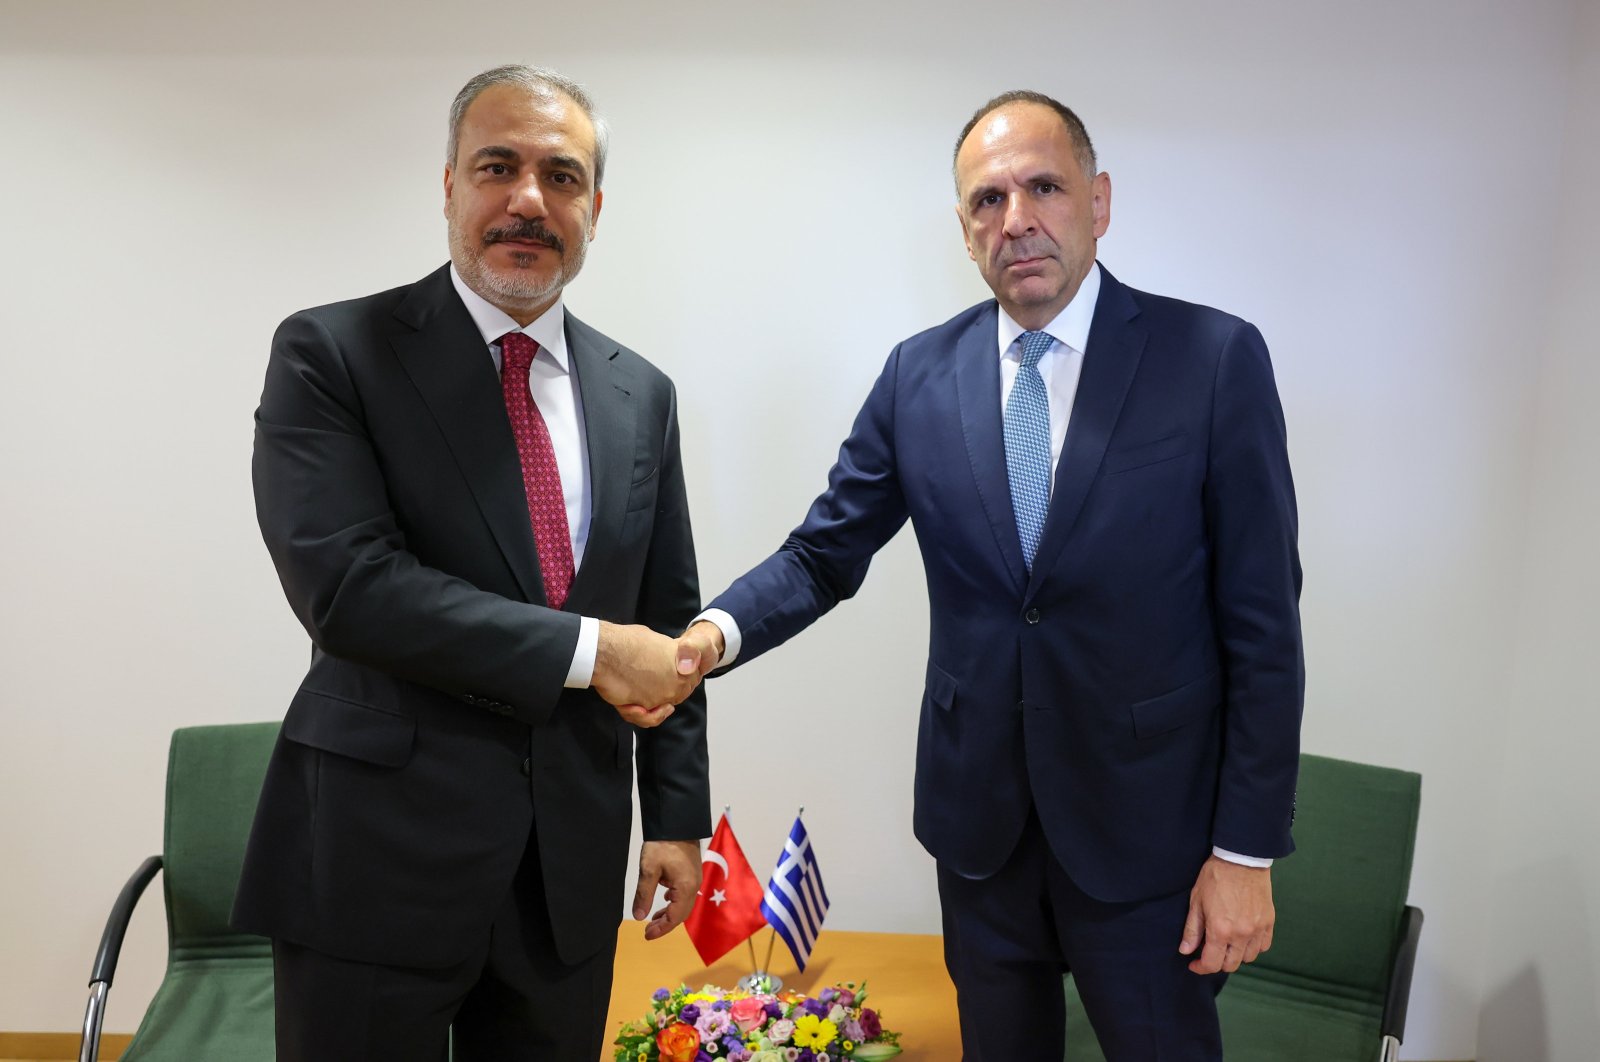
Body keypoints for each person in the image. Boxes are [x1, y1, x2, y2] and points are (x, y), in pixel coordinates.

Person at [676, 91, 1304, 1060]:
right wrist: (704, 639)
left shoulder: (1212, 360)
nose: (1017, 220)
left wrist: (1243, 852)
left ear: (1098, 201)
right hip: (983, 846)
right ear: (964, 231)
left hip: (1151, 849)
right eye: (987, 200)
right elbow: (822, 554)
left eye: (1043, 188)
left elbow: (1262, 628)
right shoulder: (915, 375)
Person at [232, 64, 713, 1062]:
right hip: (374, 865)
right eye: (497, 167)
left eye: (561, 176)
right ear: (448, 185)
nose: (527, 200)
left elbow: (667, 618)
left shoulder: (644, 395)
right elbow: (350, 590)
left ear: (595, 207)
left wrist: (675, 816)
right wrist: (587, 652)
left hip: (567, 875)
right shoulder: (334, 353)